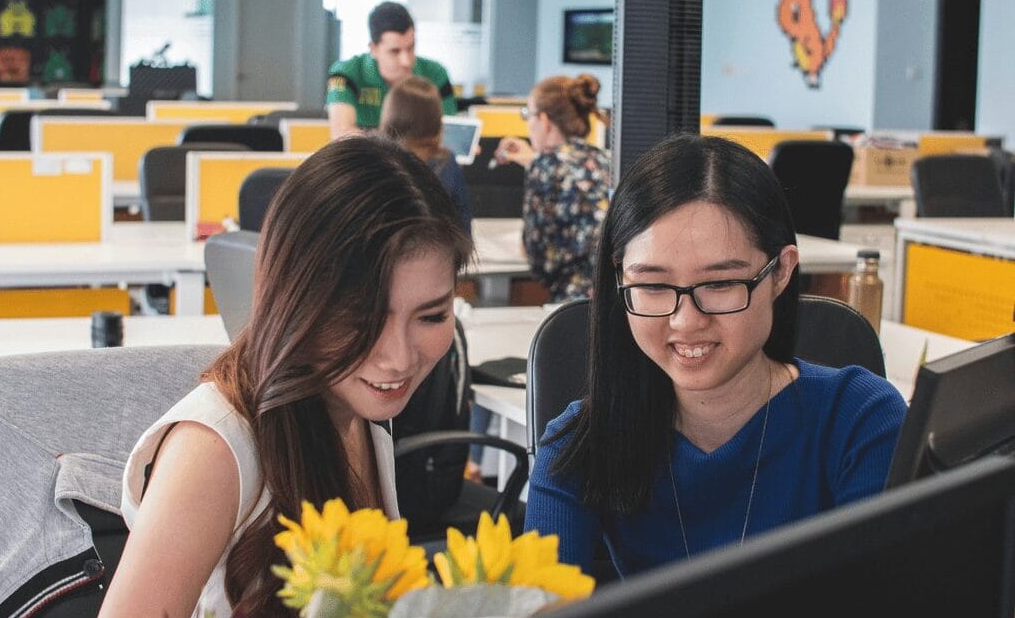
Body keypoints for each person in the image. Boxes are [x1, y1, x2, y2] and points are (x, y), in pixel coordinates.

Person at [93, 137, 472, 618]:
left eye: (431, 315)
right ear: (297, 301)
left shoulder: (361, 422)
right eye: (361, 320)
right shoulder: (216, 450)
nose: (398, 357)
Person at [523, 133, 906, 577]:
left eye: (720, 284)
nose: (686, 321)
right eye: (652, 286)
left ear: (781, 272)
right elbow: (542, 613)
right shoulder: (577, 445)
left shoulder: (861, 419)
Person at [492, 73, 611, 302]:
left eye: (528, 114)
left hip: (577, 302)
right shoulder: (600, 158)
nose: (527, 124)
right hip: (614, 296)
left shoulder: (545, 166)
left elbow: (538, 261)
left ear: (544, 121)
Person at [327, 1, 457, 140]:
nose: (406, 61)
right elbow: (341, 133)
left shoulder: (436, 73)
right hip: (365, 159)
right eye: (395, 51)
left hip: (419, 160)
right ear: (373, 49)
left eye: (410, 48)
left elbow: (448, 132)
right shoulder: (346, 73)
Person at [380, 75, 473, 236]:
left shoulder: (376, 161)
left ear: (390, 113)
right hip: (438, 255)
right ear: (435, 118)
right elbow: (463, 226)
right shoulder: (445, 163)